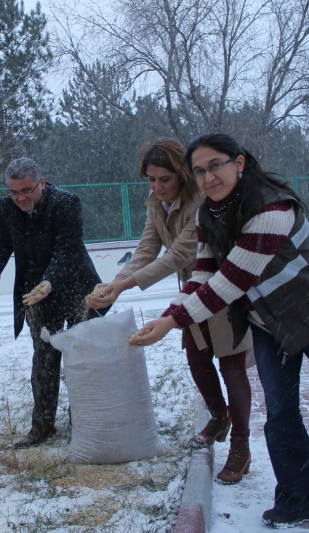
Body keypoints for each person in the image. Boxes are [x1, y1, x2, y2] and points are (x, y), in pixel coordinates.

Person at [129, 133, 309, 532]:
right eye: (199, 171)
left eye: (215, 165)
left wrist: (169, 322)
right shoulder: (207, 216)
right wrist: (172, 311)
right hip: (266, 322)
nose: (208, 177)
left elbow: (230, 281)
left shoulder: (271, 208)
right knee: (281, 413)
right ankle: (302, 498)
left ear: (239, 162)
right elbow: (203, 274)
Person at [89, 138, 253, 484]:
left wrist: (125, 286)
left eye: (164, 179)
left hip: (224, 285)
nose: (157, 186)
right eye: (150, 179)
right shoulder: (155, 203)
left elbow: (178, 254)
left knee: (231, 366)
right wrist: (115, 282)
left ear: (181, 174)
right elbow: (149, 246)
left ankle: (241, 445)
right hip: (192, 288)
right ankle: (219, 416)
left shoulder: (201, 201)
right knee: (196, 358)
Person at [0, 157, 108, 448]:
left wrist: (49, 281)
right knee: (43, 359)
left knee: (85, 357)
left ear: (42, 182)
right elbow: (0, 248)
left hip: (77, 289)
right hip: (36, 296)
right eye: (14, 192)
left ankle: (88, 421)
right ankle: (42, 426)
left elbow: (68, 249)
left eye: (27, 190)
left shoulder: (67, 202)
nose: (21, 198)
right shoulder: (5, 208)